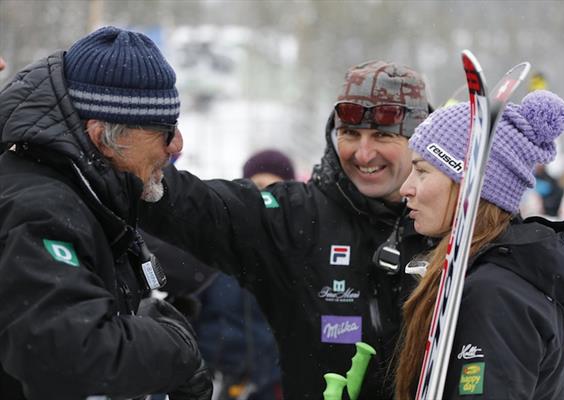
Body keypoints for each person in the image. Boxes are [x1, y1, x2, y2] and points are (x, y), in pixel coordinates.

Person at [138, 60, 432, 400]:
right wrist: (128, 164)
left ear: (419, 138)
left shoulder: (449, 223)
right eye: (350, 134)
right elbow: (198, 206)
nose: (363, 153)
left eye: (382, 135)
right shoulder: (296, 218)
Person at [0, 26, 212, 400]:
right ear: (102, 137)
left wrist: (140, 317)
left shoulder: (84, 194)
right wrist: (175, 348)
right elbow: (67, 354)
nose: (177, 145)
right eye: (165, 130)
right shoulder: (41, 207)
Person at [394, 90, 564, 399]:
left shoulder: (494, 294)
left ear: (471, 185)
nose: (405, 188)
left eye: (422, 171)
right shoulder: (498, 277)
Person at [195, 149, 293, 400]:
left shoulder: (299, 255)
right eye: (257, 186)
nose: (265, 196)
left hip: (276, 387)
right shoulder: (214, 249)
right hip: (219, 386)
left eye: (275, 187)